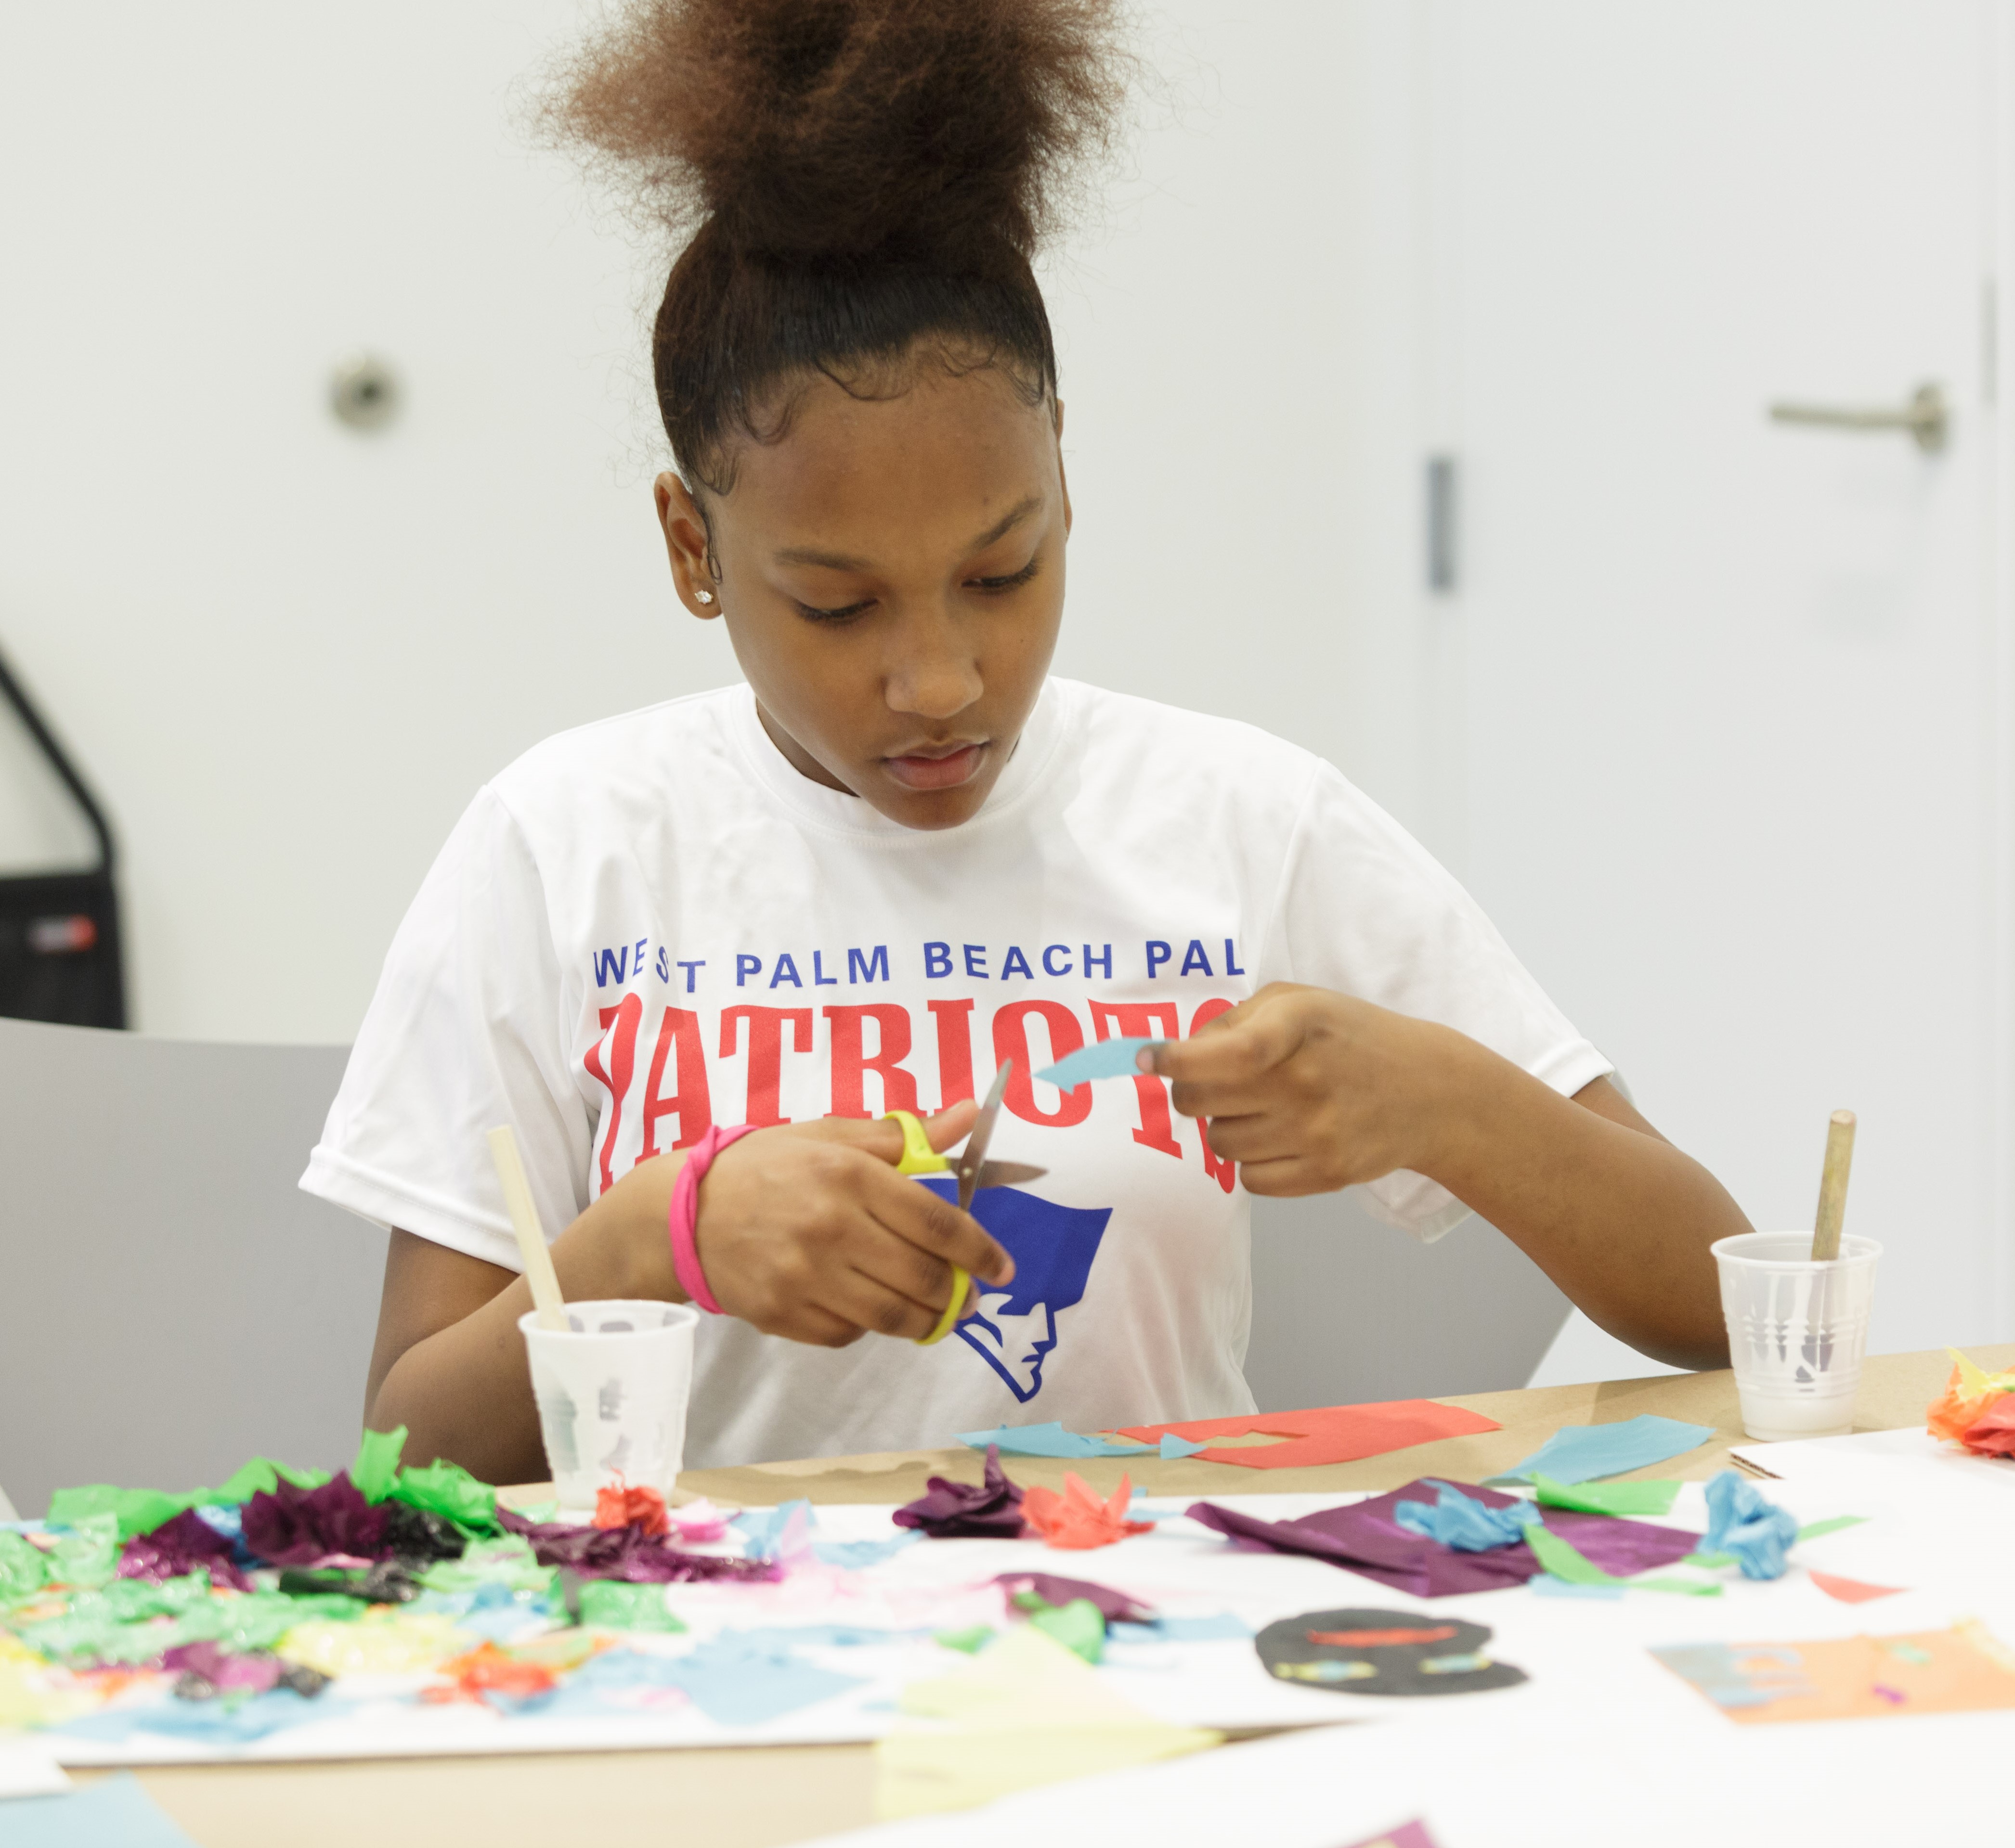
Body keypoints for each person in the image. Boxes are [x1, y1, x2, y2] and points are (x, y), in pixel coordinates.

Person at [302, 0, 1750, 1485]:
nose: (937, 679)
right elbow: (409, 1451)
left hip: (1131, 1633)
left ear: (1063, 479)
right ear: (692, 547)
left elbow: (1718, 1303)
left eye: (1001, 573)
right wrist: (652, 1237)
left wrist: (1447, 1100)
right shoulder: (568, 843)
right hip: (710, 1655)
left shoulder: (1235, 817)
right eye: (837, 602)